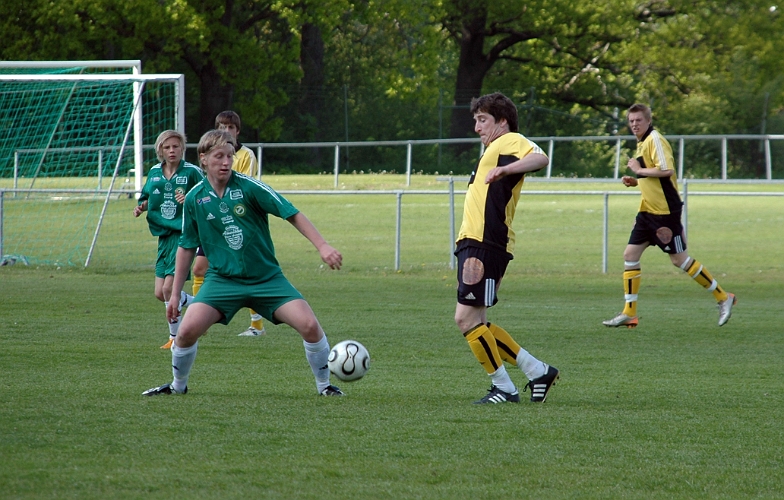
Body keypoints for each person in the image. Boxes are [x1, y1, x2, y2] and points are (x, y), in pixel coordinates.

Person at [143, 129, 344, 397]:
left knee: (309, 325)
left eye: (230, 156)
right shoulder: (194, 198)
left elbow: (292, 213)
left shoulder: (250, 187)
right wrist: (176, 293)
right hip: (222, 281)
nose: (226, 162)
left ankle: (325, 387)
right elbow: (187, 246)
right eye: (219, 156)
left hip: (266, 279)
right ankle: (177, 387)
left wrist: (323, 246)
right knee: (187, 331)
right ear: (203, 159)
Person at [455, 92, 560, 404]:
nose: (477, 127)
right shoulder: (493, 149)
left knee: (466, 319)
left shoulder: (509, 139)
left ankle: (504, 388)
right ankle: (538, 371)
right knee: (477, 322)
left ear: (502, 122)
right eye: (475, 120)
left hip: (485, 243)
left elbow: (541, 157)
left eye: (483, 120)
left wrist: (505, 170)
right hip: (476, 242)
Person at [603, 103, 736, 328]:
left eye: (638, 120)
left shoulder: (655, 139)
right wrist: (637, 181)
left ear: (648, 120)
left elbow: (667, 171)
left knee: (680, 260)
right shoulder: (642, 142)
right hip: (647, 210)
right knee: (630, 254)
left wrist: (638, 170)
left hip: (665, 213)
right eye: (631, 121)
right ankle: (629, 313)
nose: (634, 124)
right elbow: (655, 177)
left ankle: (724, 297)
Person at [191, 111, 266, 337]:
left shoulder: (245, 155)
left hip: (237, 222)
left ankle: (257, 325)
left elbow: (243, 186)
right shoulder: (210, 155)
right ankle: (197, 320)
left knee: (247, 273)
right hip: (213, 223)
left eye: (230, 127)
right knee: (199, 268)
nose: (226, 131)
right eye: (222, 127)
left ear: (238, 131)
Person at [133, 130, 203, 349]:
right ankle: (204, 306)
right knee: (159, 292)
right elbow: (148, 197)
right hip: (163, 236)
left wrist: (189, 199)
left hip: (183, 235)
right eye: (167, 147)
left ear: (182, 148)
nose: (172, 150)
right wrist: (142, 207)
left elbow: (206, 196)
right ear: (160, 150)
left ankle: (175, 338)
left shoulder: (192, 172)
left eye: (176, 146)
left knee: (168, 290)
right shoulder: (155, 173)